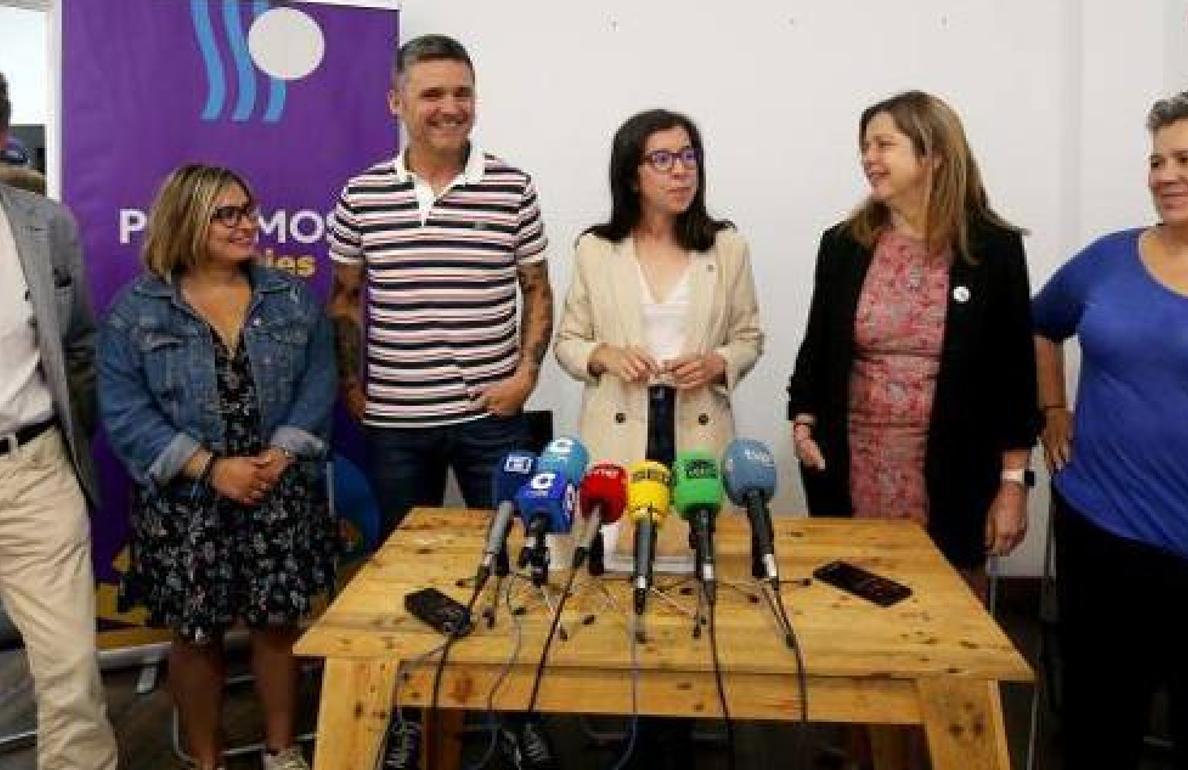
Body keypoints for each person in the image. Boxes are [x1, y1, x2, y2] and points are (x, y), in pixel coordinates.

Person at [1033, 84, 1188, 770]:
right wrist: (1053, 410)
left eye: (1186, 158)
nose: (1164, 175)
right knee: (1098, 725)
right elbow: (1042, 324)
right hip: (1100, 533)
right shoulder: (1109, 258)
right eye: (1156, 161)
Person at [97, 164, 336, 770]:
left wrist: (279, 455)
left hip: (275, 490)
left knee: (278, 625)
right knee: (195, 635)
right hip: (183, 504)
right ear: (187, 219)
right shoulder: (136, 311)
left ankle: (282, 750)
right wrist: (209, 468)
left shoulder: (289, 297)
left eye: (248, 210)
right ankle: (208, 760)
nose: (245, 224)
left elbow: (319, 381)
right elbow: (124, 411)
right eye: (226, 214)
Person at [554, 108, 763, 769]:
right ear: (632, 173)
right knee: (622, 578)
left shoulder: (726, 245)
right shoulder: (595, 246)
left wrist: (721, 362)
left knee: (688, 577)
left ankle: (676, 735)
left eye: (690, 156)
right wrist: (603, 356)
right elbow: (568, 340)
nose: (681, 171)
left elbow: (750, 334)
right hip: (620, 438)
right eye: (664, 159)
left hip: (696, 430)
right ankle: (639, 730)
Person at [787, 90, 1038, 595]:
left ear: (933, 154)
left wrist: (1013, 486)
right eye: (865, 147)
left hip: (954, 468)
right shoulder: (843, 244)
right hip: (855, 461)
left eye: (884, 145)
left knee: (946, 609)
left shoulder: (992, 248)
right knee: (854, 601)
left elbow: (1014, 376)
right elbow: (818, 345)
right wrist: (803, 419)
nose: (868, 159)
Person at [327, 34, 552, 536]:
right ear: (395, 102)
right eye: (432, 95)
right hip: (396, 424)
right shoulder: (361, 195)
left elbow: (536, 289)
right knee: (401, 561)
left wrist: (526, 377)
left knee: (512, 552)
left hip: (493, 418)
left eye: (462, 93)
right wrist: (349, 385)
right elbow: (344, 300)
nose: (450, 108)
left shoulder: (513, 187)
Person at [0, 70, 118, 770]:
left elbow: (78, 344)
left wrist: (70, 439)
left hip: (34, 469)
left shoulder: (47, 224)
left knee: (71, 672)